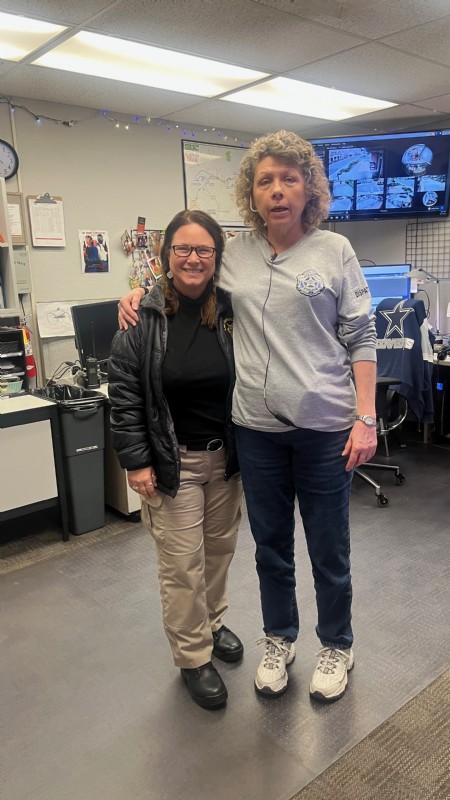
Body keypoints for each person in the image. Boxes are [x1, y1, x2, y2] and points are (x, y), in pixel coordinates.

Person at [118, 130, 378, 704]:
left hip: (324, 430)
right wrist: (136, 295)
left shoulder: (335, 251)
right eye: (265, 181)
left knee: (329, 548)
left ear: (309, 188)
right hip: (255, 433)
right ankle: (279, 638)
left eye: (289, 179)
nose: (277, 190)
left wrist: (366, 417)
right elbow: (184, 277)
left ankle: (337, 644)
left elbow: (361, 337)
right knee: (270, 548)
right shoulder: (234, 255)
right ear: (252, 194)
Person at [108, 209, 243, 710]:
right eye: (183, 248)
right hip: (173, 464)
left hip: (226, 461)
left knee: (218, 554)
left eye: (204, 249)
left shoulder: (231, 311)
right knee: (182, 566)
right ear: (166, 254)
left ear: (216, 256)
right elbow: (124, 397)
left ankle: (212, 623)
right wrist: (136, 461)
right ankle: (193, 656)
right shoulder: (140, 318)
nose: (193, 258)